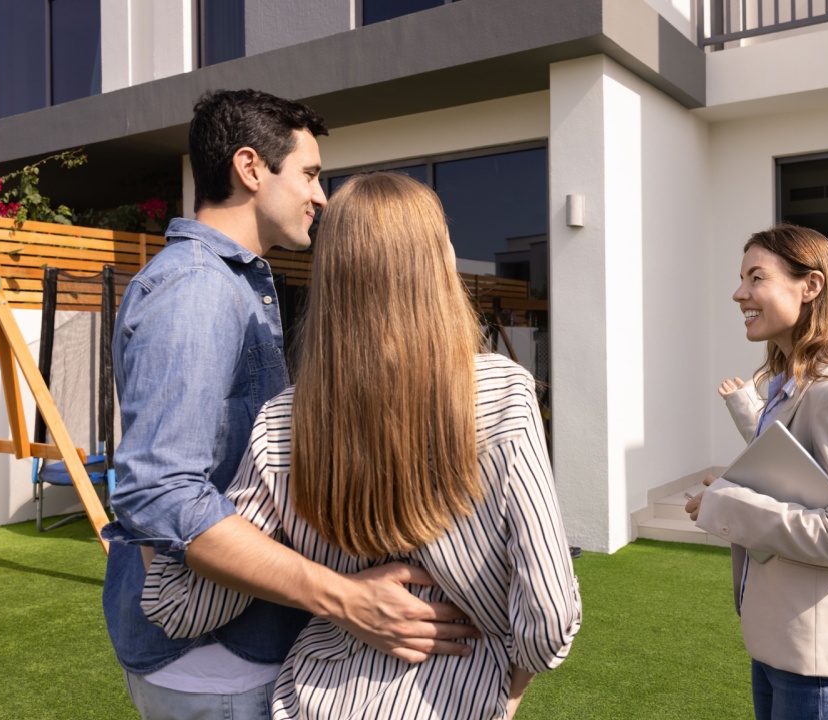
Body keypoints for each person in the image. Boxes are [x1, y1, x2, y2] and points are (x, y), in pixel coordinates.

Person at [138, 172, 582, 720]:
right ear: (438, 263)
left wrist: (149, 508)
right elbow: (549, 614)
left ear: (333, 275)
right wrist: (508, 693)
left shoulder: (282, 422)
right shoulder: (502, 393)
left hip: (315, 702)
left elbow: (181, 606)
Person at [105, 91, 478, 720]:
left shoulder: (234, 283)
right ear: (251, 169)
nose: (322, 196)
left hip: (238, 645)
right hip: (211, 658)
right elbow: (158, 492)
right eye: (308, 173)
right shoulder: (196, 290)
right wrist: (344, 597)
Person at [686, 223, 828, 720]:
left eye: (756, 277)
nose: (740, 294)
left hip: (823, 674)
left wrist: (728, 504)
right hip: (785, 649)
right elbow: (793, 470)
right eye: (742, 279)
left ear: (811, 286)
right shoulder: (798, 385)